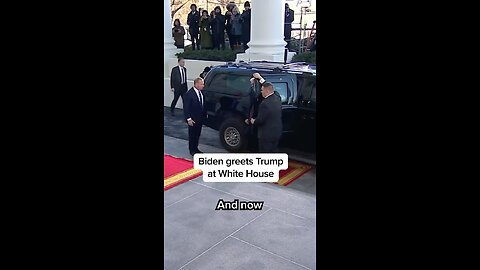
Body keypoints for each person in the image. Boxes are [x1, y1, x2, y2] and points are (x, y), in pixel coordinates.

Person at [245, 73, 282, 153]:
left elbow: (260, 120)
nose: (261, 92)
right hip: (276, 133)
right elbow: (270, 88)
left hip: (266, 135)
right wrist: (260, 78)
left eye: (262, 90)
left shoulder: (265, 104)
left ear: (267, 91)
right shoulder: (277, 98)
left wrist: (252, 121)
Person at [184, 78, 207, 156]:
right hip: (193, 119)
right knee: (192, 135)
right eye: (201, 84)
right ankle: (192, 150)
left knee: (197, 134)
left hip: (200, 118)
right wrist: (189, 119)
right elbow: (186, 108)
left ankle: (196, 148)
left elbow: (203, 104)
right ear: (196, 84)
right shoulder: (189, 94)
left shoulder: (201, 93)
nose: (203, 86)